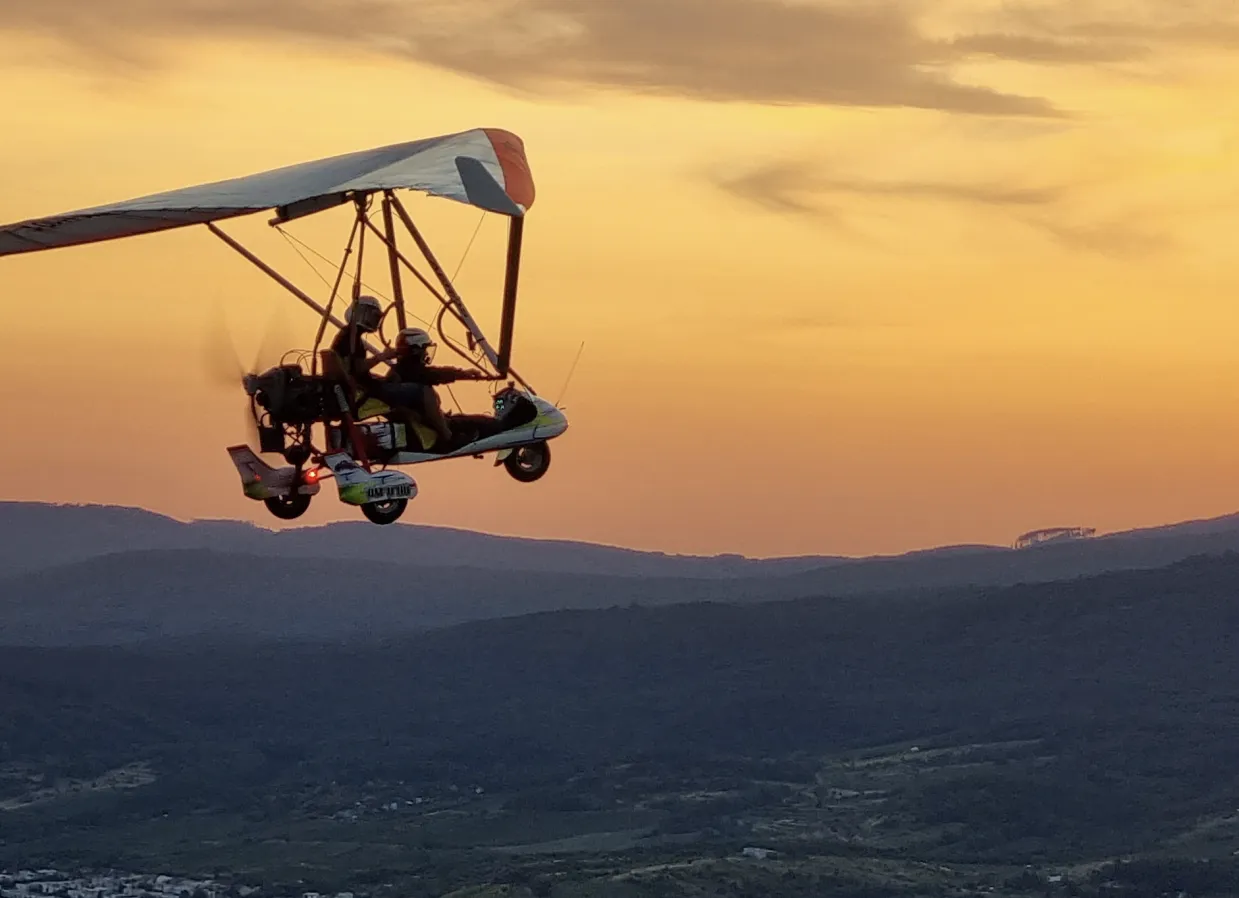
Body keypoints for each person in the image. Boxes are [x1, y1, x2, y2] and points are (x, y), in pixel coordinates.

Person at [379, 327, 483, 447]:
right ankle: (448, 439)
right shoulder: (406, 371)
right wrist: (463, 373)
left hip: (429, 423)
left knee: (469, 421)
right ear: (415, 351)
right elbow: (435, 374)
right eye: (425, 349)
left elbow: (432, 373)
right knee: (485, 423)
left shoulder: (401, 370)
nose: (426, 353)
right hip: (426, 428)